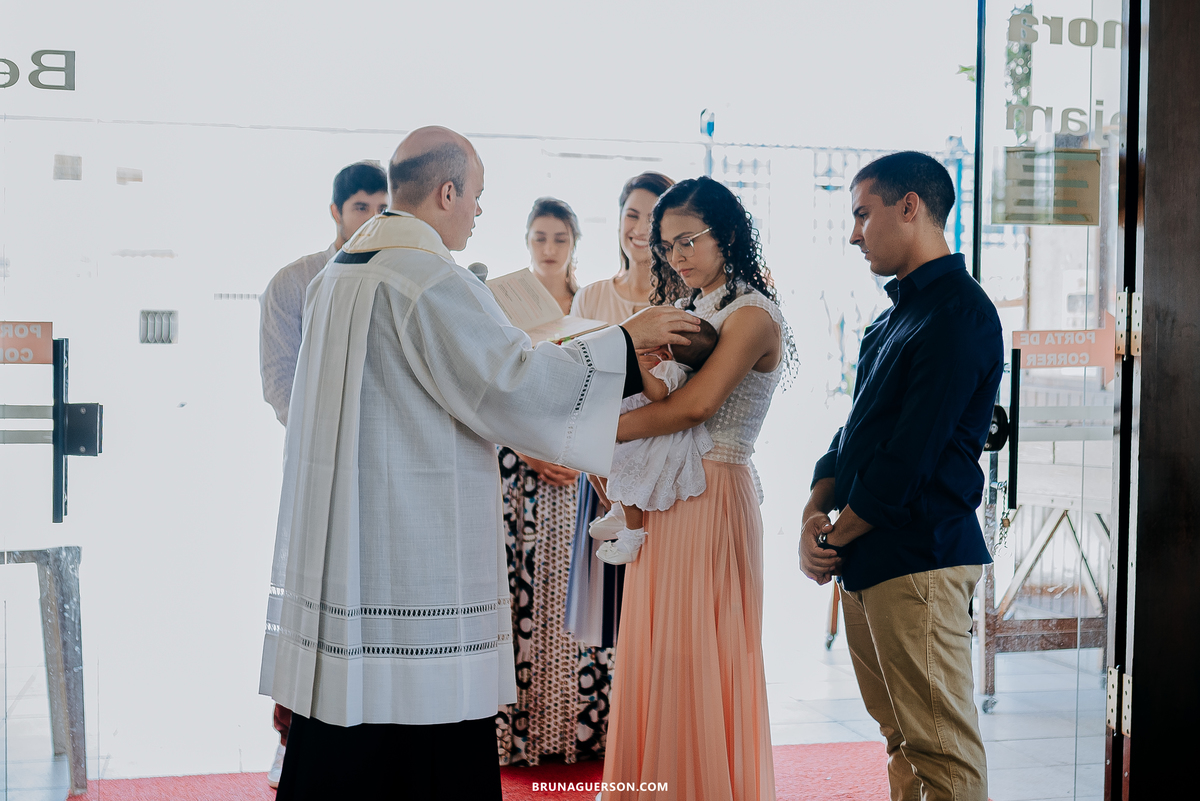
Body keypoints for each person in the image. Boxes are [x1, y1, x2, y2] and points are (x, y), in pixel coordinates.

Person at [259, 126, 700, 800]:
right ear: (446, 192)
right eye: (477, 196)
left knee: (348, 736)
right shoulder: (426, 278)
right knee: (426, 732)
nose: (478, 211)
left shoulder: (340, 276)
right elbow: (509, 381)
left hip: (348, 546)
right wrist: (622, 341)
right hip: (411, 558)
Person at [798, 151, 1002, 801]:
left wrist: (835, 535)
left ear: (908, 206)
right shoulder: (890, 318)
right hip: (872, 558)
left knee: (941, 750)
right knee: (903, 740)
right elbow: (853, 434)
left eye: (862, 213)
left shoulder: (960, 314)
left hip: (920, 558)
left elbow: (907, 460)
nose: (853, 232)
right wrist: (813, 510)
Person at [603, 176, 795, 801]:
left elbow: (695, 408)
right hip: (669, 494)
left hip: (712, 492)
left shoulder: (753, 314)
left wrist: (597, 433)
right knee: (660, 654)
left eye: (689, 240)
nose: (677, 256)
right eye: (667, 246)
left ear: (730, 234)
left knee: (698, 657)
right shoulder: (697, 309)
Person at [257, 160, 388, 787]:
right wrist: (331, 440)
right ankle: (301, 753)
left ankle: (376, 747)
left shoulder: (401, 281)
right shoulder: (294, 282)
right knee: (313, 617)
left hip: (388, 481)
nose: (372, 219)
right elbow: (279, 385)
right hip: (317, 476)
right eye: (361, 207)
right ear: (335, 212)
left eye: (382, 208)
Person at [495, 197, 608, 766]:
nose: (548, 249)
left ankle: (572, 728)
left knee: (570, 598)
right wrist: (528, 449)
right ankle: (520, 732)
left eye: (558, 238)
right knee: (522, 598)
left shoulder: (589, 304)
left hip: (580, 464)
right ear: (527, 241)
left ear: (574, 244)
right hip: (523, 472)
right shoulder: (503, 306)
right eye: (538, 237)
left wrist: (577, 450)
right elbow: (491, 391)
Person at [564, 171, 676, 653]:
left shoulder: (679, 300)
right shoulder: (591, 296)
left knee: (659, 622)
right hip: (603, 469)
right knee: (610, 624)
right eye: (631, 214)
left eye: (652, 219)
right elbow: (574, 380)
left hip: (663, 473)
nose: (639, 227)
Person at [592, 320, 719, 564]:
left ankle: (632, 538)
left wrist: (635, 365)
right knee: (599, 465)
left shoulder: (671, 369)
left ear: (664, 351)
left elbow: (658, 392)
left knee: (624, 474)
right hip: (631, 430)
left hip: (646, 438)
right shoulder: (666, 365)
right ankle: (618, 512)